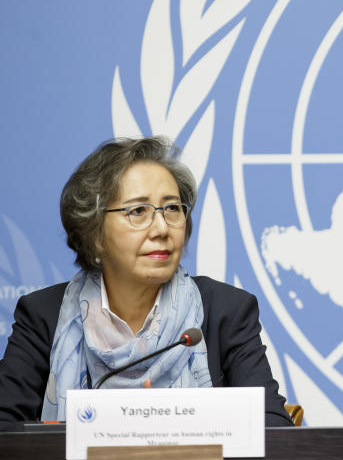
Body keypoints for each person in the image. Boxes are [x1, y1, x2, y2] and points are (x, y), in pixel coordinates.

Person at [0, 137, 293, 427]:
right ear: (94, 234)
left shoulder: (225, 310)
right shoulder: (44, 315)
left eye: (172, 209)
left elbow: (274, 429)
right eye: (138, 211)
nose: (162, 228)